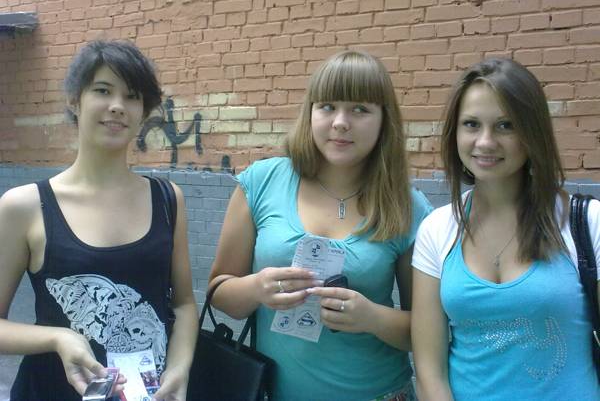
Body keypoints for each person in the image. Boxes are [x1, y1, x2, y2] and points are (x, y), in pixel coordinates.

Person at [208, 50, 432, 400]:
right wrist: (257, 288)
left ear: (384, 120)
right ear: (310, 112)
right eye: (327, 106)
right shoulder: (262, 182)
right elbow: (219, 293)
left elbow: (427, 330)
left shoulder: (407, 205)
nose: (341, 122)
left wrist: (371, 317)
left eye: (360, 109)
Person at [0, 40, 198, 401]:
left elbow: (184, 304)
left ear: (143, 112)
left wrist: (179, 369)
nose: (117, 106)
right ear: (75, 100)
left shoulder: (168, 199)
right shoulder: (25, 206)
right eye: (103, 90)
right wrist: (59, 337)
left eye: (132, 96)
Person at [411, 58, 600, 400]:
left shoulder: (588, 223)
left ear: (532, 133)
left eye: (505, 125)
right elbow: (429, 371)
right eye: (471, 124)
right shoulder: (437, 229)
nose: (485, 142)